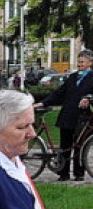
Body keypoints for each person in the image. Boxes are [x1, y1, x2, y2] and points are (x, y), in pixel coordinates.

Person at [39, 48, 93, 181]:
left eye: (82, 62)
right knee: (65, 145)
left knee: (80, 145)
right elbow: (59, 93)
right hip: (67, 115)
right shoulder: (73, 77)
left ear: (90, 62)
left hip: (83, 117)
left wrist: (89, 97)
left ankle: (79, 173)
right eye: (78, 61)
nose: (79, 64)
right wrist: (42, 103)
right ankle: (63, 173)